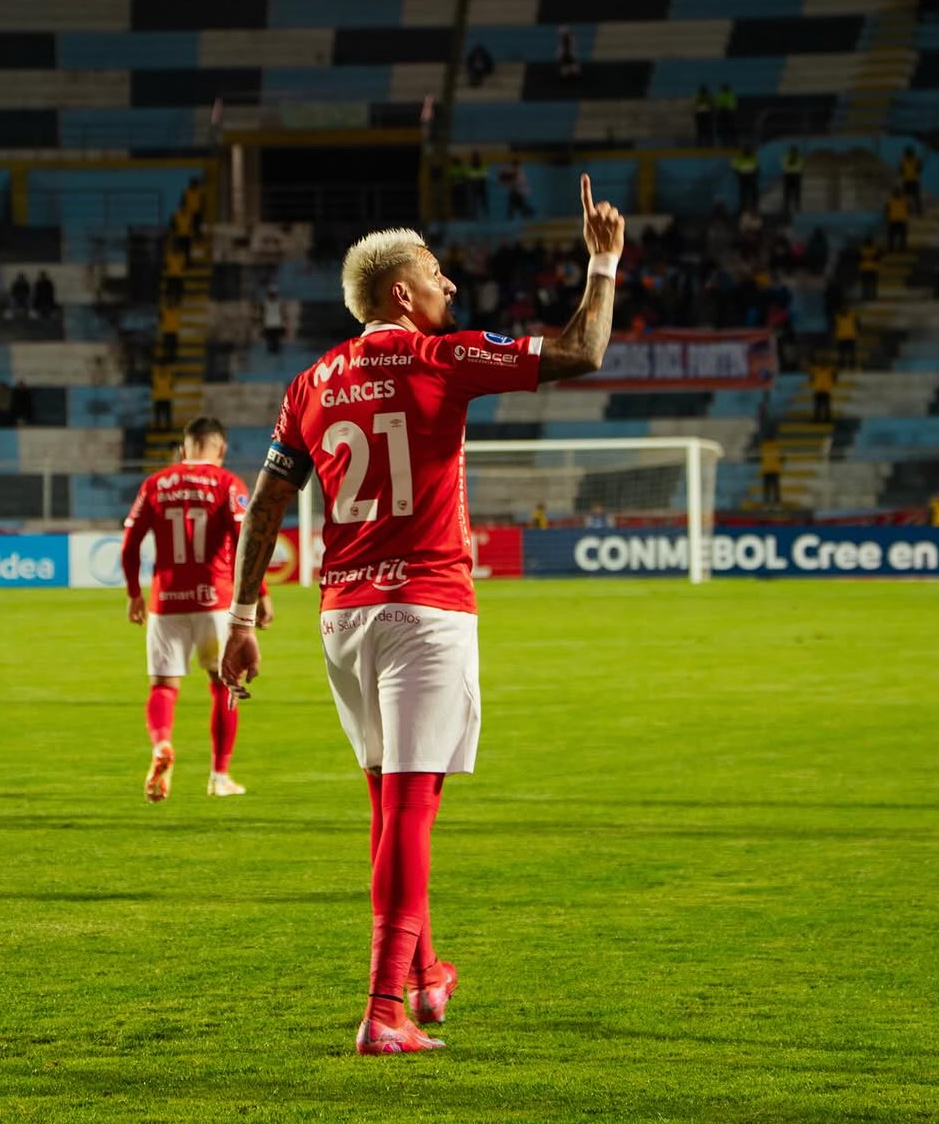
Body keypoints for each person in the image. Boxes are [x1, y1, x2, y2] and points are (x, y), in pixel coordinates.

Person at [218, 173, 624, 1055]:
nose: (451, 286)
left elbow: (263, 506)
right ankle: (383, 1009)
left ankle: (424, 975)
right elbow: (582, 351)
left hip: (343, 617)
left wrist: (244, 616)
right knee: (410, 807)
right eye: (437, 274)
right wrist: (603, 263)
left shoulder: (309, 383)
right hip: (425, 609)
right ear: (401, 292)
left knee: (389, 800)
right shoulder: (443, 356)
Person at [121, 417, 273, 802]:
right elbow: (246, 540)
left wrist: (134, 593)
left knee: (163, 687)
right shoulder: (227, 485)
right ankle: (219, 776)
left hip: (166, 601)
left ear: (183, 448)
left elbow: (129, 543)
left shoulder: (155, 484)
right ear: (220, 449)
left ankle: (161, 745)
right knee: (225, 685)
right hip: (216, 602)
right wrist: (261, 594)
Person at [809, 356, 836, 423]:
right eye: (821, 362)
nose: (823, 364)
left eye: (824, 362)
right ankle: (817, 418)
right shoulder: (815, 370)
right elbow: (811, 378)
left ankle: (827, 419)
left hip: (826, 390)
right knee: (817, 406)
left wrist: (830, 385)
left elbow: (834, 378)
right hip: (818, 390)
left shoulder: (830, 370)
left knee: (826, 406)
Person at [732, 146, 759, 213]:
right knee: (743, 194)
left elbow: (756, 166)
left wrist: (755, 174)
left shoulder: (752, 157)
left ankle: (754, 207)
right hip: (743, 177)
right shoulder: (740, 157)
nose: (749, 152)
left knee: (753, 193)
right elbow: (734, 166)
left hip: (751, 177)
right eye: (748, 151)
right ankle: (743, 208)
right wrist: (739, 174)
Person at [262, 284, 286, 354]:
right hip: (270, 324)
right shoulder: (266, 303)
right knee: (271, 340)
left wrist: (282, 323)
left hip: (275, 324)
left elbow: (282, 314)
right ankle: (272, 350)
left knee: (275, 340)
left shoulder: (278, 303)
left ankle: (274, 350)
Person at [884, 185, 909, 253]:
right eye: (896, 192)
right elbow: (887, 210)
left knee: (899, 236)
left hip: (898, 220)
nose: (897, 193)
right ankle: (894, 248)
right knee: (894, 236)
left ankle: (899, 248)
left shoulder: (902, 200)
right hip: (896, 220)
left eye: (898, 192)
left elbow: (886, 210)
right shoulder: (902, 200)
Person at [834, 304, 859, 369]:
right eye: (843, 308)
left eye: (845, 308)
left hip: (851, 336)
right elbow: (835, 326)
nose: (844, 309)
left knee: (851, 353)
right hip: (841, 337)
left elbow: (857, 325)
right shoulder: (838, 317)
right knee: (841, 353)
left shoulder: (853, 315)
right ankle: (841, 365)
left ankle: (852, 365)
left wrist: (856, 333)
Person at [760, 433, 783, 505]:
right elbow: (782, 458)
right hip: (775, 469)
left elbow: (760, 457)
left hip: (766, 469)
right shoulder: (777, 446)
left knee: (767, 488)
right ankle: (776, 504)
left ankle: (766, 503)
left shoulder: (764, 445)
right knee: (775, 488)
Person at [899, 146, 922, 216]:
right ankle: (908, 210)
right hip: (908, 180)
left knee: (916, 197)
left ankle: (918, 212)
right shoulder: (904, 161)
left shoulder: (915, 160)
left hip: (913, 180)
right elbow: (901, 170)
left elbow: (919, 169)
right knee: (906, 197)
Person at [858, 234, 881, 300]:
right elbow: (878, 258)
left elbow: (858, 258)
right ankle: (872, 296)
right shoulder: (875, 249)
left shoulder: (861, 249)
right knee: (872, 284)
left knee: (866, 284)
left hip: (865, 268)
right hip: (872, 268)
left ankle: (866, 296)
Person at [781, 145, 804, 214]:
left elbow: (784, 165)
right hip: (795, 176)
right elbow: (802, 166)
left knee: (788, 193)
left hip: (789, 175)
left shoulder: (786, 157)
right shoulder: (799, 157)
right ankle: (796, 208)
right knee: (795, 194)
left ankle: (787, 208)